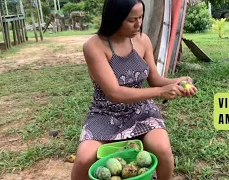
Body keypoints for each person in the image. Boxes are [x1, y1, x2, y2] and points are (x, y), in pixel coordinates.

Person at [70, 0, 197, 179]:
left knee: (163, 151)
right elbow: (115, 93)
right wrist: (161, 92)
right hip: (105, 113)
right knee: (83, 160)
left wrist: (177, 82)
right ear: (115, 18)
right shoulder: (94, 46)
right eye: (131, 20)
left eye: (141, 17)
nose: (138, 24)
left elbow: (154, 79)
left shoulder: (142, 40)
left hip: (142, 110)